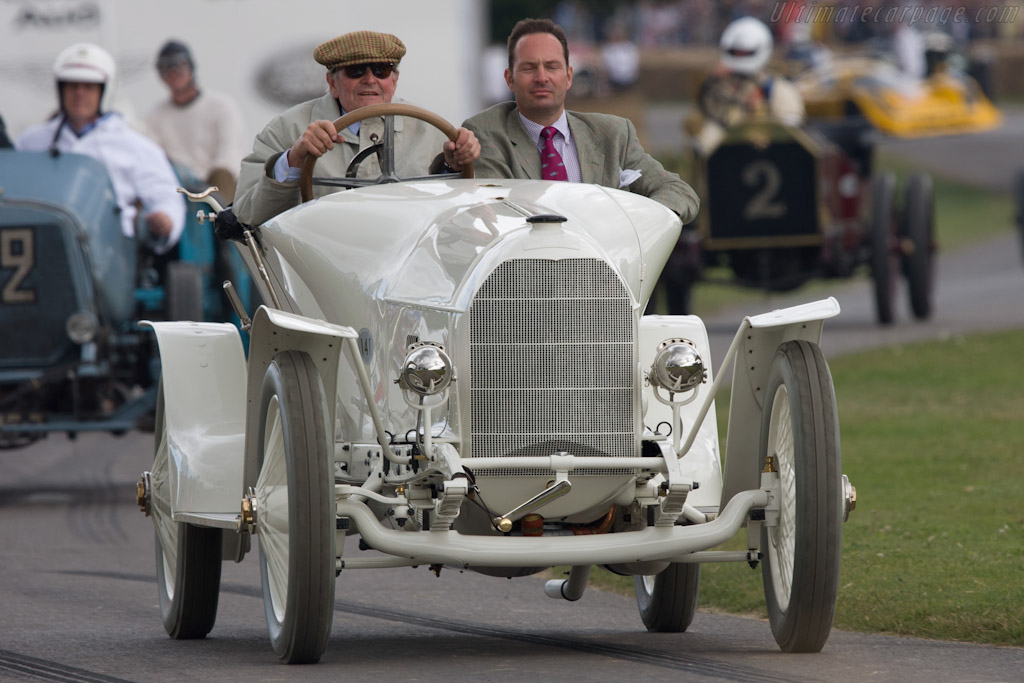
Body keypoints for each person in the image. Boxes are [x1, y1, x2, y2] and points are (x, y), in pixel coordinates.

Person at [234, 30, 480, 227]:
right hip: (322, 264)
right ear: (332, 82)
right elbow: (247, 214)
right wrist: (293, 159)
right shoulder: (286, 129)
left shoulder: (430, 130)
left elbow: (456, 218)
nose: (370, 80)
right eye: (356, 71)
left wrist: (453, 164)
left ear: (393, 81)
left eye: (381, 70)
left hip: (409, 268)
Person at [462, 18, 698, 222]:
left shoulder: (613, 133)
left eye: (552, 66)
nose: (541, 77)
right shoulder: (486, 133)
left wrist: (637, 221)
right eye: (529, 68)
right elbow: (494, 211)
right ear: (509, 79)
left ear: (569, 77)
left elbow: (678, 193)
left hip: (603, 267)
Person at [16, 43, 185, 254]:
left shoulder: (136, 146)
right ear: (61, 89)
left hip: (112, 248)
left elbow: (167, 197)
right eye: (72, 86)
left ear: (104, 91)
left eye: (88, 87)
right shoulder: (31, 142)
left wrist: (164, 219)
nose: (79, 94)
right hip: (42, 244)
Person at [145, 39, 247, 203]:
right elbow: (153, 159)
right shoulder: (155, 116)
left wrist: (204, 189)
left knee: (222, 176)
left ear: (191, 67)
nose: (173, 72)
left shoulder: (221, 106)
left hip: (219, 187)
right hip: (179, 188)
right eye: (166, 67)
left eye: (180, 64)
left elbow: (228, 159)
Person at [692, 16, 805, 152]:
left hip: (771, 150)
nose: (740, 56)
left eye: (745, 53)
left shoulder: (777, 87)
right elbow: (709, 112)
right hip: (730, 147)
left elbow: (790, 129)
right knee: (708, 136)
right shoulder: (719, 84)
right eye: (737, 52)